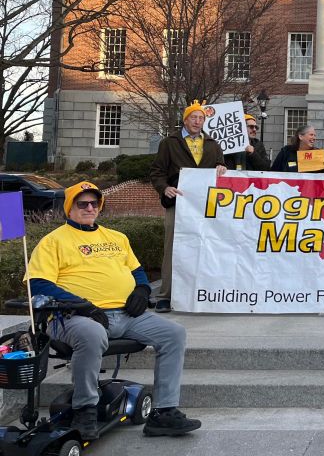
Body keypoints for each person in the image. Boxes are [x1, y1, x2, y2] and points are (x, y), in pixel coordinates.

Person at [25, 182, 200, 440]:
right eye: (82, 203)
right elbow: (38, 283)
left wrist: (142, 291)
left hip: (125, 315)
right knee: (92, 335)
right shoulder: (53, 241)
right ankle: (84, 409)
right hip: (73, 316)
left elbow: (138, 272)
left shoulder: (117, 238)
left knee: (173, 334)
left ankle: (164, 412)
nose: (89, 208)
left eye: (94, 203)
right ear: (69, 208)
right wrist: (81, 305)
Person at [150, 100, 226, 312]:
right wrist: (164, 188)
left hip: (204, 205)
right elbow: (157, 171)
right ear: (185, 119)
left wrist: (222, 167)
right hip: (179, 202)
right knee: (173, 247)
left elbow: (221, 167)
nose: (197, 121)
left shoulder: (212, 144)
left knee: (206, 246)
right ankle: (166, 294)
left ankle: (201, 291)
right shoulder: (169, 143)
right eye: (194, 117)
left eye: (201, 118)